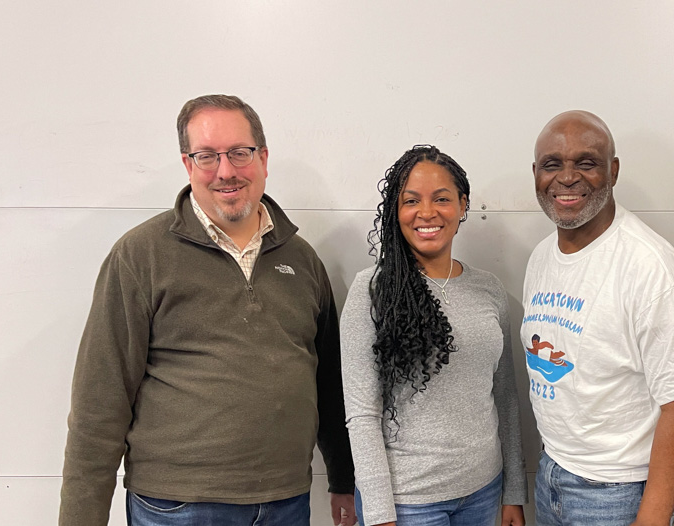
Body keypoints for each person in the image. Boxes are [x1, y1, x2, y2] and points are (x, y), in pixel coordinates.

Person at [59, 94, 356, 526]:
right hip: (179, 506)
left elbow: (329, 381)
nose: (226, 171)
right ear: (188, 165)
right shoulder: (141, 255)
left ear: (263, 158)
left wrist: (343, 479)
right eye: (207, 156)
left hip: (286, 500)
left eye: (239, 153)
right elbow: (99, 403)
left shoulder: (303, 259)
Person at [522, 110, 674, 525]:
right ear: (536, 173)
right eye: (552, 165)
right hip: (551, 473)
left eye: (587, 163)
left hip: (618, 493)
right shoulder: (542, 257)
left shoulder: (652, 268)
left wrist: (651, 519)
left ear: (612, 170)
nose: (567, 177)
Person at [339, 145, 527, 526]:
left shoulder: (489, 289)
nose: (427, 213)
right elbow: (361, 413)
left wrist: (514, 492)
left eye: (441, 199)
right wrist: (377, 513)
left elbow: (505, 396)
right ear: (396, 211)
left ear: (462, 205)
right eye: (411, 201)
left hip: (483, 492)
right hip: (408, 503)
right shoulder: (371, 291)